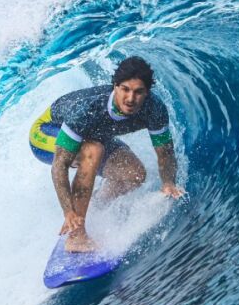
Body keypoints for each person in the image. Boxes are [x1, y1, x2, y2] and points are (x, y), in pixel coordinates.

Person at [29, 56, 186, 252]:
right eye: (125, 89)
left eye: (138, 92)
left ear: (147, 92)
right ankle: (76, 236)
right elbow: (59, 166)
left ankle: (94, 206)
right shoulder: (88, 109)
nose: (130, 98)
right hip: (46, 134)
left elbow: (165, 152)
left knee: (134, 174)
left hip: (94, 137)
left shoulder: (154, 109)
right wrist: (68, 211)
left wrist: (168, 183)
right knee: (93, 151)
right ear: (115, 86)